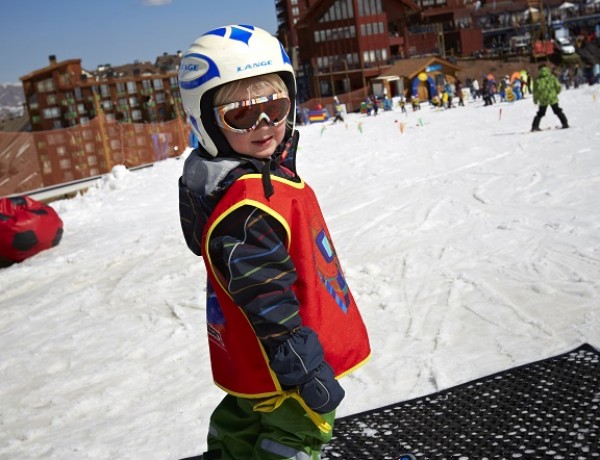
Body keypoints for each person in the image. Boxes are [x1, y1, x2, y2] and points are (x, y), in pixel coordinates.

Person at [177, 25, 371, 460]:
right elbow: (265, 292)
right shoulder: (248, 205)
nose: (265, 125)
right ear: (207, 121)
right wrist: (300, 366)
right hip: (288, 354)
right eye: (241, 115)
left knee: (245, 418)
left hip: (258, 357)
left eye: (275, 106)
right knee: (298, 429)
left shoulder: (257, 182)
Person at [531, 63, 569, 132]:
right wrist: (555, 93)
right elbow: (558, 86)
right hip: (552, 98)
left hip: (543, 99)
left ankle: (535, 126)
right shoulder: (552, 77)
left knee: (540, 113)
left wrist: (535, 100)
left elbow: (535, 91)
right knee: (558, 111)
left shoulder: (537, 80)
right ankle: (565, 123)